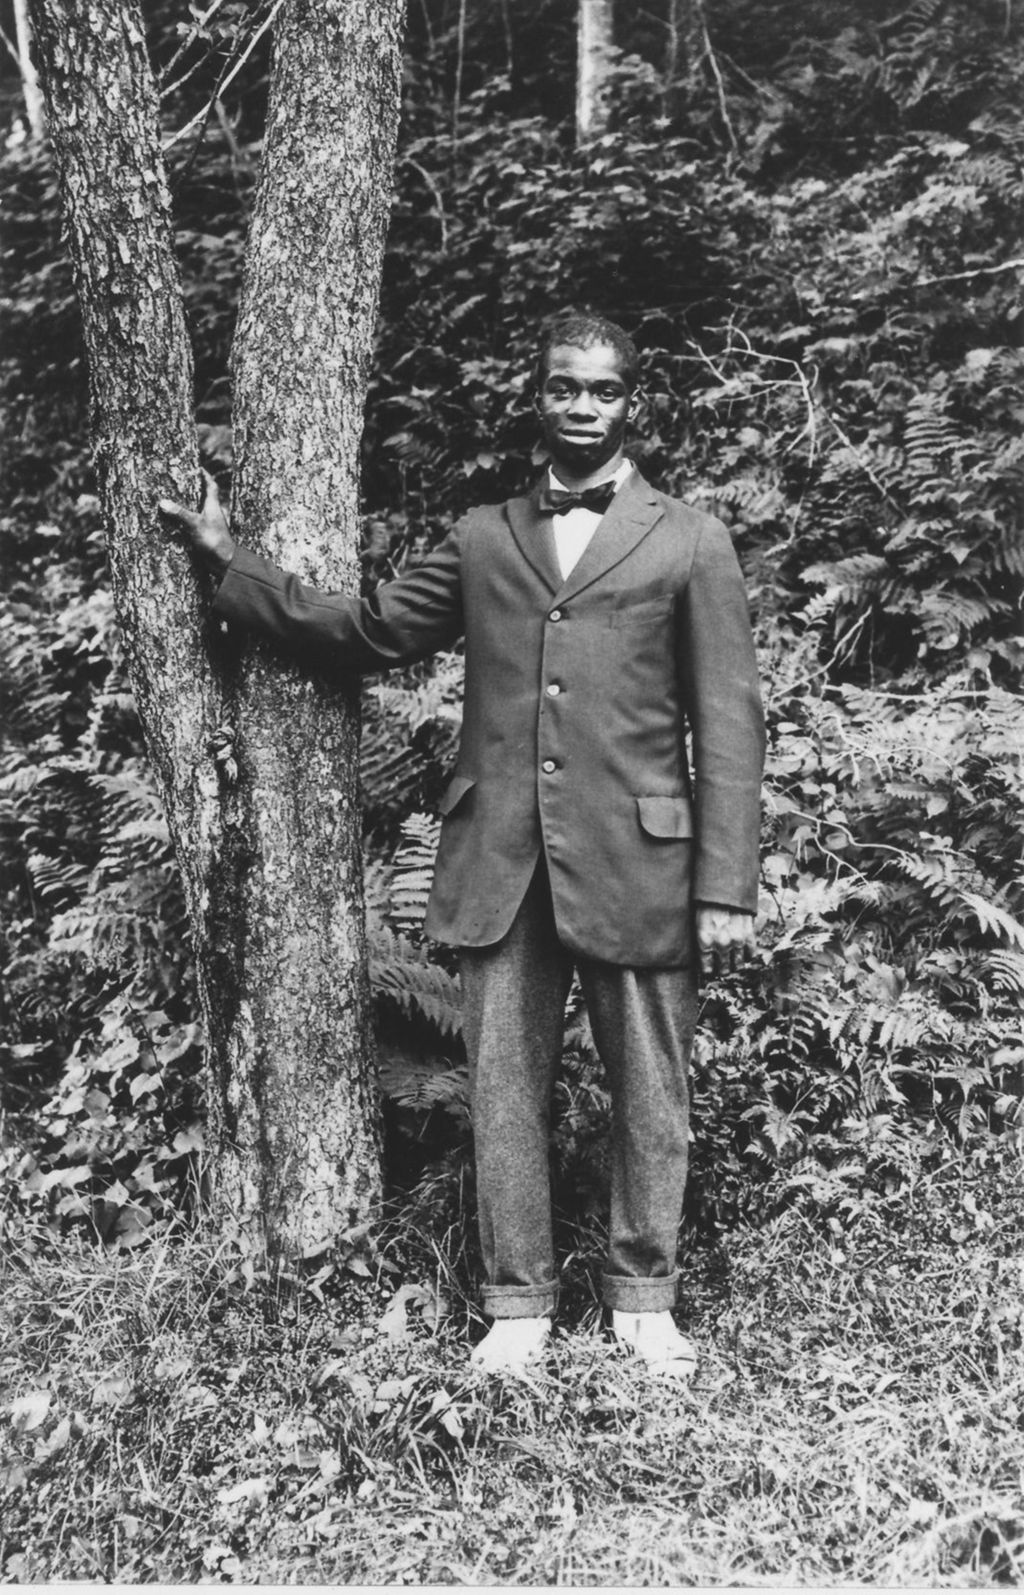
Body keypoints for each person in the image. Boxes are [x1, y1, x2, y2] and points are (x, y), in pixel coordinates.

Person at [160, 310, 765, 1380]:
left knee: (651, 1086)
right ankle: (518, 1304)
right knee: (503, 1082)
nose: (583, 405)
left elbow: (727, 722)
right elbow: (370, 629)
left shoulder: (690, 539)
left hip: (641, 862)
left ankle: (643, 1296)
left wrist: (723, 881)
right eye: (564, 385)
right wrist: (228, 560)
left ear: (633, 402)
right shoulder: (485, 536)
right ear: (536, 396)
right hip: (502, 857)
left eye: (604, 389)